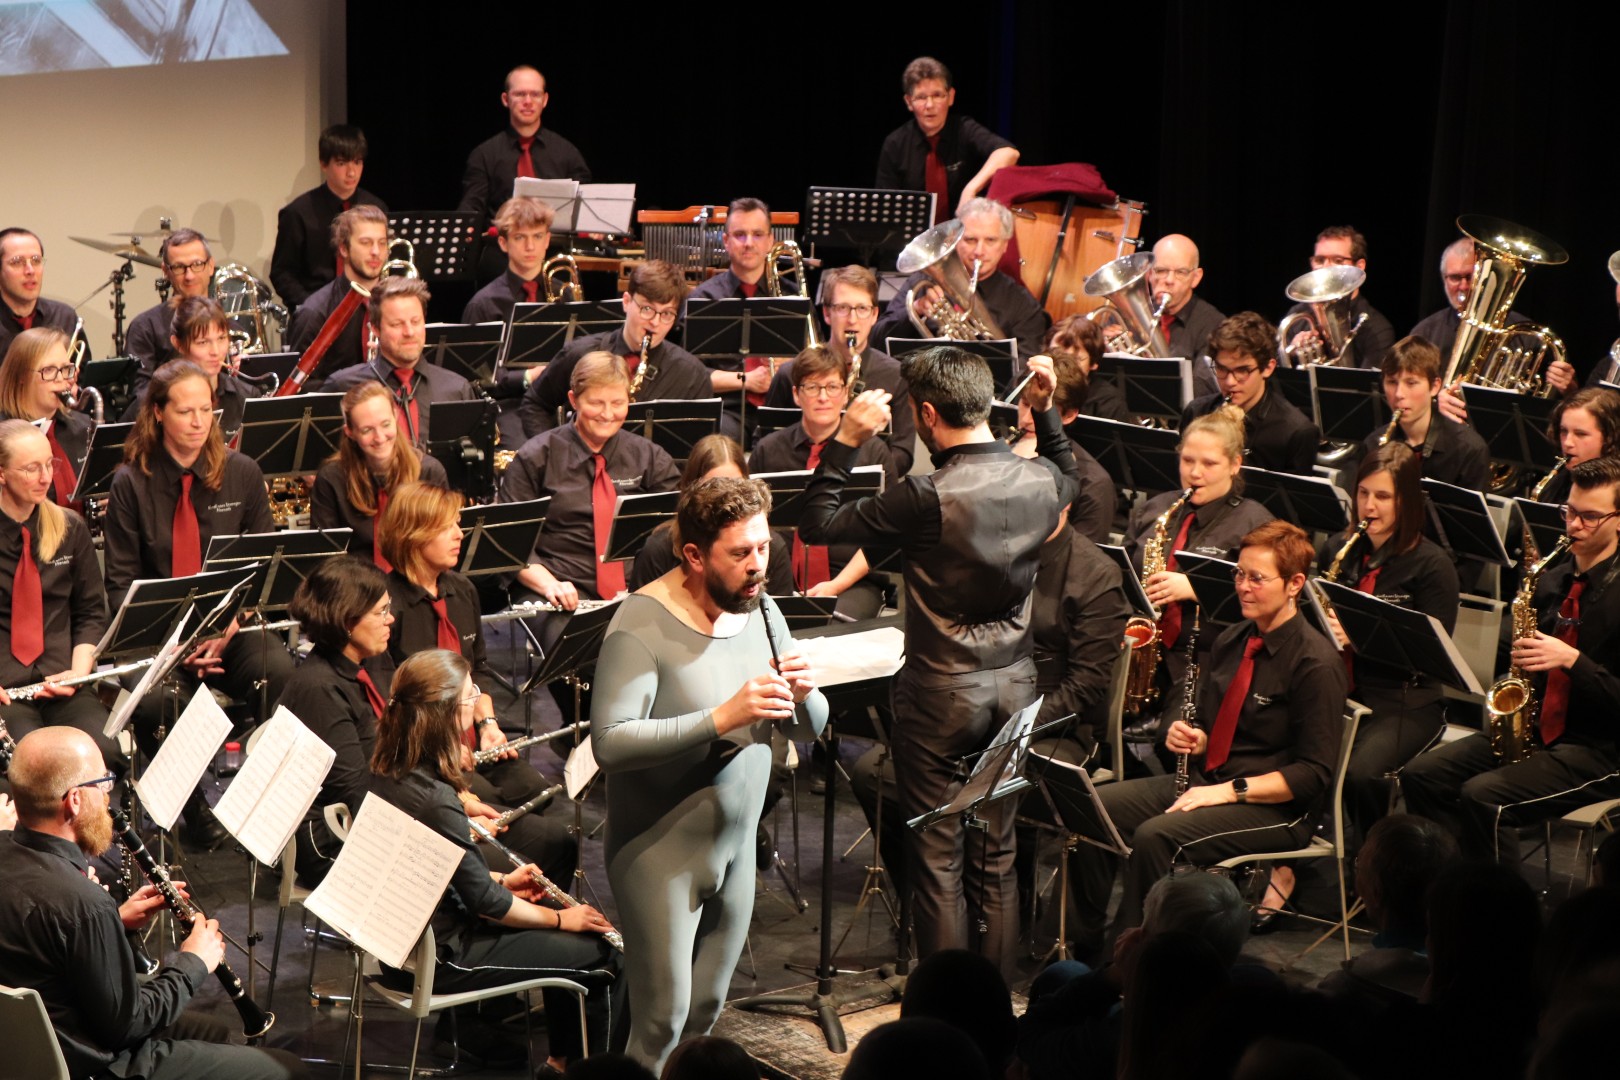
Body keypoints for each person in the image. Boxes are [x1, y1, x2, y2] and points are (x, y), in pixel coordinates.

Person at [798, 348, 1079, 971]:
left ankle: (947, 1008)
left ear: (927, 414)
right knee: (997, 856)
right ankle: (992, 1003)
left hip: (942, 694)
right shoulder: (1040, 480)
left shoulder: (926, 495)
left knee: (938, 858)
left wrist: (845, 440)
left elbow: (817, 524)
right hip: (1017, 685)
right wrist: (1046, 410)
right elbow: (1071, 472)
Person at [591, 476, 828, 1070]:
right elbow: (610, 743)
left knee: (704, 1013)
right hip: (660, 856)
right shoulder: (641, 623)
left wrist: (806, 694)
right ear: (695, 555)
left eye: (764, 547)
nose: (758, 565)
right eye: (741, 552)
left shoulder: (762, 609)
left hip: (736, 850)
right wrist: (722, 717)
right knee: (661, 1020)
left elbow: (809, 728)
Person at [1073, 520, 1347, 941]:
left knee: (1155, 837)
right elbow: (1209, 720)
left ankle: (1134, 952)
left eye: (1257, 578)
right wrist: (1195, 737)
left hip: (1278, 809)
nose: (1243, 587)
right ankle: (1084, 941)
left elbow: (1312, 774)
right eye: (1239, 574)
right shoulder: (1233, 638)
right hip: (1212, 781)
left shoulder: (1316, 664)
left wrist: (1227, 791)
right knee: (1092, 808)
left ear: (1294, 584)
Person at [0, 727, 308, 1079]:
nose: (108, 798)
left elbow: (43, 943)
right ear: (75, 800)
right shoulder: (84, 903)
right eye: (103, 784)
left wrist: (115, 922)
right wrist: (194, 961)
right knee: (289, 1070)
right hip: (93, 1064)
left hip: (29, 1048)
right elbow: (128, 1025)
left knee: (213, 1031)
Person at [368, 649, 621, 1074]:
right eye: (471, 696)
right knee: (604, 955)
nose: (477, 701)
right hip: (441, 956)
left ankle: (560, 1063)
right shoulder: (435, 798)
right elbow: (486, 904)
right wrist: (562, 919)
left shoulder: (390, 769)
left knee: (557, 915)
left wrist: (502, 879)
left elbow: (440, 872)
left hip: (404, 941)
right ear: (448, 713)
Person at [102, 359, 294, 848]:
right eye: (185, 411)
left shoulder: (242, 472)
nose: (197, 421)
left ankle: (268, 805)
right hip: (161, 639)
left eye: (206, 410)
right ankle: (195, 809)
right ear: (158, 413)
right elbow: (121, 584)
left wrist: (231, 625)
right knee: (155, 703)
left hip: (229, 629)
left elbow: (262, 568)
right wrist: (178, 644)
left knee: (280, 673)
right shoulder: (130, 483)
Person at [1402, 456, 1620, 864]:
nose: (1574, 525)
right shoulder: (1551, 580)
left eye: (1590, 517)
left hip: (1599, 748)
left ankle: (1498, 901)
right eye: (1570, 512)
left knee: (1485, 797)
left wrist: (1573, 661)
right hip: (1536, 733)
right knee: (1422, 776)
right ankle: (1452, 880)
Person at [376, 481, 573, 883]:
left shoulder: (462, 590)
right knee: (534, 830)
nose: (459, 535)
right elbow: (389, 706)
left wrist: (488, 725)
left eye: (457, 524)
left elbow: (477, 669)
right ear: (414, 535)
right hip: (426, 758)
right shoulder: (388, 607)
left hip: (470, 742)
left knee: (545, 797)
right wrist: (444, 749)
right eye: (446, 527)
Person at [1317, 442, 1459, 841]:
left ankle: (1372, 858)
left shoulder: (1433, 566)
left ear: (1406, 502)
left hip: (1405, 700)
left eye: (1383, 496)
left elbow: (1431, 656)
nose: (1369, 506)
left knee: (1363, 774)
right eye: (1363, 493)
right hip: (1340, 689)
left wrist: (1360, 636)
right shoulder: (1338, 549)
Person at [501, 352, 679, 627]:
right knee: (573, 643)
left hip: (638, 587)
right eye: (596, 403)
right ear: (573, 400)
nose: (607, 414)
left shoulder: (651, 458)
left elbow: (675, 530)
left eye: (618, 403)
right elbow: (510, 542)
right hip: (558, 588)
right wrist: (550, 584)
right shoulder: (536, 457)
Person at [1124, 406, 1274, 702]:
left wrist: (1198, 588)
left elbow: (1270, 602)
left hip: (1206, 663)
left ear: (1235, 464)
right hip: (1138, 648)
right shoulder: (1155, 508)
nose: (1194, 473)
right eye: (1187, 460)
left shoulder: (1255, 524)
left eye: (1209, 463)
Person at [0, 421, 117, 772]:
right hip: (7, 693)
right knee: (32, 767)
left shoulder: (69, 528)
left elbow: (91, 612)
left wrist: (77, 673)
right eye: (31, 468)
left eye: (49, 464)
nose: (45, 477)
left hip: (63, 682)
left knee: (104, 753)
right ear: (2, 474)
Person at [749, 345, 891, 620]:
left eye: (832, 387)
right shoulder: (768, 450)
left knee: (832, 624)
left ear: (846, 393)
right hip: (778, 577)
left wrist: (835, 586)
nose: (823, 397)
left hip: (851, 581)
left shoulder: (873, 451)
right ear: (796, 394)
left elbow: (885, 535)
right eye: (812, 387)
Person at [277, 556, 394, 885]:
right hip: (333, 839)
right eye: (381, 612)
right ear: (347, 620)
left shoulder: (361, 665)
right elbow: (356, 791)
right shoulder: (320, 689)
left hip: (366, 815)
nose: (391, 619)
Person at [520, 260, 712, 438]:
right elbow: (536, 404)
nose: (655, 322)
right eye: (647, 309)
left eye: (667, 314)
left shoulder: (691, 374)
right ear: (626, 301)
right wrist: (550, 452)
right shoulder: (581, 352)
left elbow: (699, 443)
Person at [762, 264, 917, 475]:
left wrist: (858, 471)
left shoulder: (896, 376)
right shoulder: (790, 373)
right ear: (827, 313)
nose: (852, 319)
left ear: (874, 315)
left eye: (862, 309)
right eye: (843, 308)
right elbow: (765, 443)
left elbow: (903, 452)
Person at [871, 198, 1050, 360]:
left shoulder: (1022, 304)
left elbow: (1027, 364)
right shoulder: (923, 282)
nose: (979, 251)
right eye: (970, 240)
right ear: (954, 241)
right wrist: (915, 310)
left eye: (990, 240)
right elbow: (876, 339)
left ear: (1004, 245)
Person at [459, 65, 590, 281]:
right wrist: (466, 228)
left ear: (545, 100)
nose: (528, 101)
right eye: (520, 94)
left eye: (535, 94)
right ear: (505, 99)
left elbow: (586, 209)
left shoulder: (567, 154)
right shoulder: (484, 154)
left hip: (553, 249)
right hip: (502, 254)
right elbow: (472, 206)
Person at [626, 434, 793, 594]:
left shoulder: (773, 548)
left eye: (737, 485)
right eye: (714, 487)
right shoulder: (658, 550)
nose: (727, 498)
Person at [323, 276, 479, 445]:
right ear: (375, 329)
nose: (409, 332)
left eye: (415, 321)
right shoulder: (343, 387)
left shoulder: (457, 390)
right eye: (397, 324)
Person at [310, 380, 449, 568]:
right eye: (367, 430)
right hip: (355, 581)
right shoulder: (331, 478)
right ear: (350, 432)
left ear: (395, 417)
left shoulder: (430, 472)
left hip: (415, 578)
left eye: (386, 424)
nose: (380, 437)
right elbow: (326, 561)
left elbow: (442, 547)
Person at [682, 197, 788, 438]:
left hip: (783, 405)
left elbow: (816, 362)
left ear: (770, 241)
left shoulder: (792, 296)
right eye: (740, 235)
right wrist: (746, 379)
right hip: (727, 410)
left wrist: (791, 365)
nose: (748, 243)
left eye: (757, 235)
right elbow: (688, 375)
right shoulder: (703, 300)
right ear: (726, 241)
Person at [462, 196, 560, 447]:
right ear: (503, 243)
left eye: (537, 236)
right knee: (531, 449)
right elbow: (478, 379)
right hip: (510, 405)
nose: (530, 246)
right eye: (520, 237)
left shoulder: (563, 293)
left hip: (560, 400)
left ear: (547, 240)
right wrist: (527, 377)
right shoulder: (484, 304)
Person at [875, 56, 1019, 223]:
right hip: (914, 236)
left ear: (950, 97)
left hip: (965, 231)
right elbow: (885, 208)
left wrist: (970, 189)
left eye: (937, 95)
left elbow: (1009, 153)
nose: (930, 105)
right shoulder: (895, 144)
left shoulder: (965, 129)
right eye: (921, 97)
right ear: (908, 102)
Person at [1181, 311, 1320, 475]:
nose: (1230, 382)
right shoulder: (1197, 412)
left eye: (1242, 371)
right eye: (1221, 369)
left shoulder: (1296, 432)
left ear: (1268, 368)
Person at [270, 124, 387, 311]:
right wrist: (312, 307)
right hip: (316, 312)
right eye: (341, 163)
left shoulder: (376, 208)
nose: (352, 172)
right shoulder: (298, 213)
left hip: (366, 309)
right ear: (324, 164)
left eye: (357, 162)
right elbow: (282, 273)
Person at [123, 296, 267, 445]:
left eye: (221, 338)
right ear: (178, 344)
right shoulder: (151, 400)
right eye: (203, 342)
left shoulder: (246, 396)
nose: (216, 351)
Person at [1008, 349, 1116, 544]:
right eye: (1024, 404)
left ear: (1069, 415)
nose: (1025, 420)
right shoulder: (1007, 452)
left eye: (1040, 408)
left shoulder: (1094, 486)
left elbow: (1083, 556)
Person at [1359, 335, 1490, 490]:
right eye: (1392, 382)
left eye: (1411, 383)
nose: (1399, 394)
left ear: (1434, 386)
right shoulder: (1373, 445)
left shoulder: (1469, 451)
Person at [284, 204, 389, 386]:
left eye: (382, 243)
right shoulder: (314, 313)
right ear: (344, 249)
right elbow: (302, 388)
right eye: (366, 243)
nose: (376, 252)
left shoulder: (397, 305)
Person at [1279, 225, 1396, 370]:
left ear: (1359, 266)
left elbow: (1370, 382)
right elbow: (1275, 374)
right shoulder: (1297, 316)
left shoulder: (1377, 329)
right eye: (1320, 260)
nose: (1326, 268)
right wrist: (1292, 353)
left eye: (1338, 260)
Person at [0, 327, 93, 509]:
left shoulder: (83, 426)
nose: (61, 379)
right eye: (49, 370)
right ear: (22, 376)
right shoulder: (4, 436)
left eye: (65, 369)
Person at [125, 228, 215, 391]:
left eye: (197, 264)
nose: (189, 276)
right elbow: (139, 395)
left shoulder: (230, 325)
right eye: (179, 267)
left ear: (211, 266)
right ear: (166, 271)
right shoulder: (144, 327)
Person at [1149, 234, 1227, 393]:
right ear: (1149, 273)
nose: (1169, 280)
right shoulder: (1127, 313)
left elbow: (1202, 389)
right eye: (1161, 270)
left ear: (1195, 278)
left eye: (1181, 272)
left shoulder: (1214, 324)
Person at [1525, 387, 1620, 506]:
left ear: (1610, 437)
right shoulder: (1559, 480)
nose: (1567, 443)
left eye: (1580, 434)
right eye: (1564, 431)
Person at [0, 228, 78, 360]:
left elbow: (82, 371)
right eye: (17, 262)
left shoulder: (65, 316)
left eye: (36, 261)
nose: (30, 271)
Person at [1046, 314, 1133, 423]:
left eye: (1075, 359)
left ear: (1093, 363)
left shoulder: (1109, 402)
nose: (1063, 363)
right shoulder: (1032, 382)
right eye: (1056, 352)